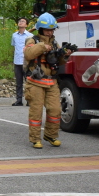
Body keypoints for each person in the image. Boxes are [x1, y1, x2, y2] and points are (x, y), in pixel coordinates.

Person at [23, 13, 72, 149]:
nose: (50, 32)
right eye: (47, 30)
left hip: (51, 82)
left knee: (55, 110)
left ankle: (50, 135)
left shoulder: (54, 43)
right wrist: (43, 47)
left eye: (52, 30)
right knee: (36, 112)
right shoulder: (32, 40)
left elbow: (58, 62)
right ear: (40, 29)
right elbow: (28, 54)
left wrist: (64, 55)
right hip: (35, 82)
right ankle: (35, 139)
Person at [11, 18, 31, 106]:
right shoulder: (14, 35)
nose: (20, 22)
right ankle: (19, 100)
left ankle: (29, 100)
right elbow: (13, 46)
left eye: (23, 21)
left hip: (26, 62)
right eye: (19, 21)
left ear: (26, 25)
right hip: (17, 61)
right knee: (18, 83)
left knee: (28, 82)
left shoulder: (29, 36)